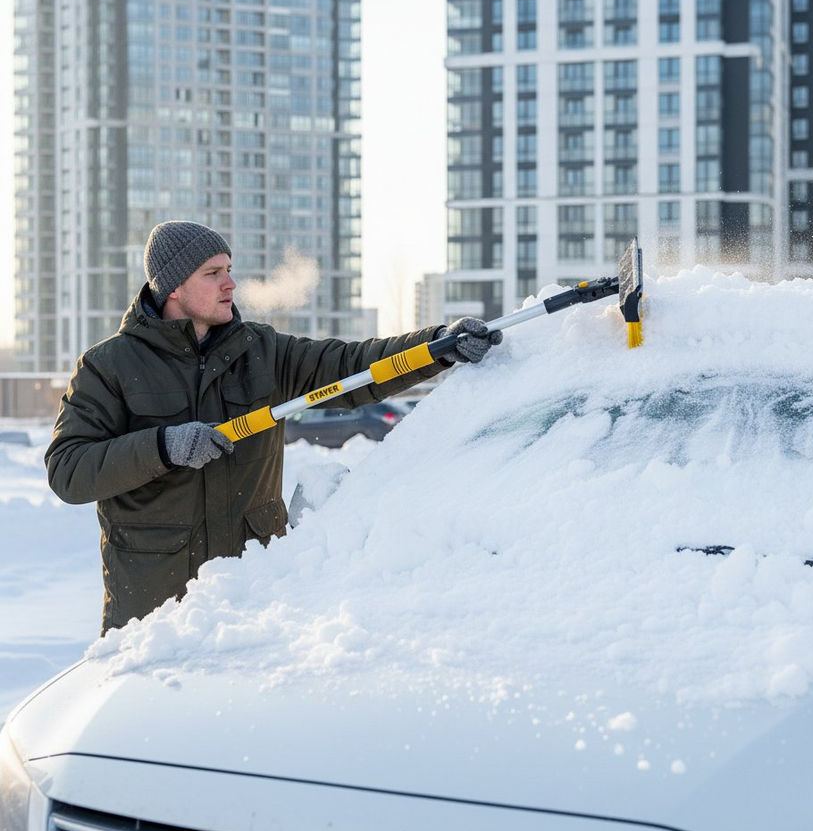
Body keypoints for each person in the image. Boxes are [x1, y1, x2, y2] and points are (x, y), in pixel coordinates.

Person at [45, 220, 502, 634]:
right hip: (155, 612)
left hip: (256, 598)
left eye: (229, 268)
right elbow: (69, 470)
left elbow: (352, 366)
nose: (231, 283)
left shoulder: (261, 351)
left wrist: (439, 346)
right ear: (172, 288)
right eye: (213, 273)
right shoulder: (110, 366)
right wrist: (164, 446)